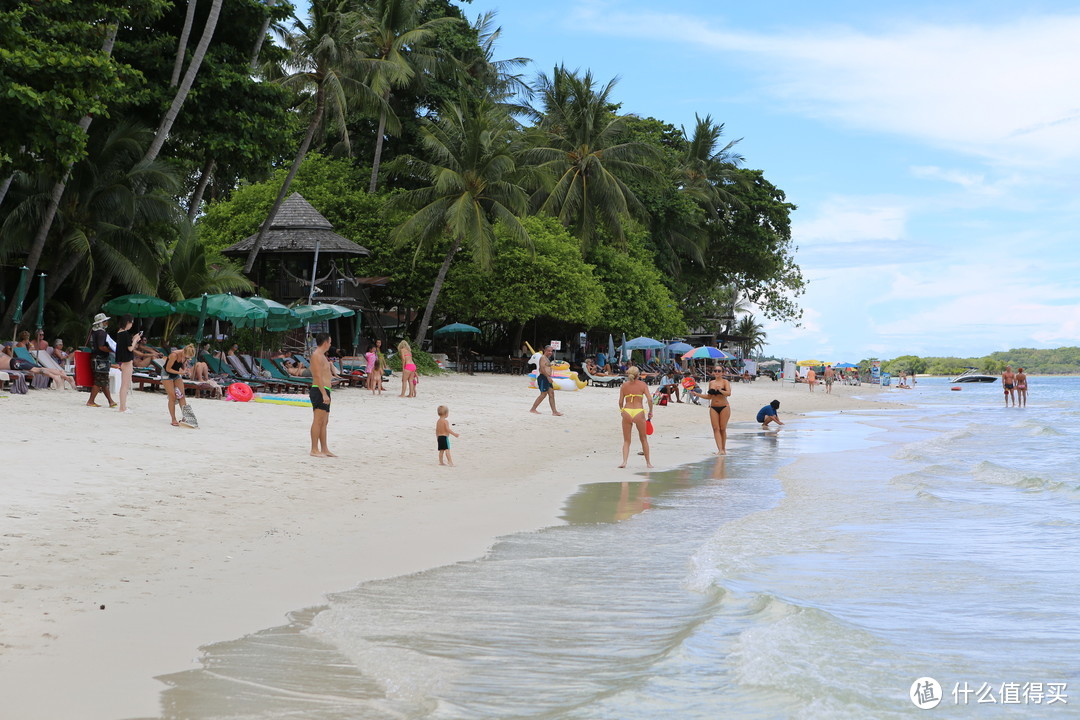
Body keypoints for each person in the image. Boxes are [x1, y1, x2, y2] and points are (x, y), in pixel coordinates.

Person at [689, 366, 731, 454]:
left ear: (723, 373)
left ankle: (723, 448)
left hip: (724, 406)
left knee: (722, 428)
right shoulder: (711, 383)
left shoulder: (725, 382)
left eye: (719, 371)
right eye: (715, 371)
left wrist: (720, 390)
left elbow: (728, 393)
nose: (717, 372)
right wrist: (697, 394)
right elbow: (709, 396)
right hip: (713, 407)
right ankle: (720, 450)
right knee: (716, 428)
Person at [618, 366, 654, 468]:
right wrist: (650, 411)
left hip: (627, 411)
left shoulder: (624, 386)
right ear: (638, 375)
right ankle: (648, 463)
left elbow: (620, 402)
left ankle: (624, 462)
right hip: (639, 411)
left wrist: (621, 411)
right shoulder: (642, 384)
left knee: (626, 440)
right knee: (643, 438)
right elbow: (650, 400)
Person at [309, 333, 335, 457]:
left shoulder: (323, 356)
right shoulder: (316, 355)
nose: (330, 344)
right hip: (319, 390)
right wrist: (324, 393)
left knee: (324, 421)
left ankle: (324, 448)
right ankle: (314, 449)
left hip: (325, 390)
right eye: (330, 342)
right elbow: (317, 376)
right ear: (325, 342)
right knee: (318, 421)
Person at [0, 350, 76, 389]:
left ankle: (54, 377)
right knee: (41, 368)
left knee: (35, 370)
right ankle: (66, 376)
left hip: (14, 363)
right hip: (17, 360)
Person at [163, 344, 197, 427]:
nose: (188, 358)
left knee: (182, 396)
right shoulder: (174, 355)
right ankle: (173, 419)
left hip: (176, 373)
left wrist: (185, 370)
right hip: (167, 374)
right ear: (184, 352)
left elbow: (182, 364)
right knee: (172, 397)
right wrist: (180, 373)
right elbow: (168, 369)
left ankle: (186, 417)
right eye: (188, 357)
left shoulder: (185, 356)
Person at [87, 313, 116, 408]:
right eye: (105, 321)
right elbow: (101, 347)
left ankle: (111, 401)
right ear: (101, 323)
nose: (107, 323)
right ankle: (91, 401)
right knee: (100, 381)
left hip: (95, 357)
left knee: (102, 380)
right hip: (101, 359)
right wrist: (112, 350)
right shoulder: (102, 333)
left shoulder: (93, 332)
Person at [114, 314, 140, 413]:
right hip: (127, 362)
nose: (131, 325)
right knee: (125, 385)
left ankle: (123, 407)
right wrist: (135, 340)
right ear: (128, 322)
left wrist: (133, 339)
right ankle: (122, 407)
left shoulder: (120, 333)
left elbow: (126, 345)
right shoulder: (125, 334)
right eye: (131, 323)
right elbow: (130, 348)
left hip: (123, 361)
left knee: (124, 385)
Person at [529, 345, 563, 416]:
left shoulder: (547, 359)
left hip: (546, 378)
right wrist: (548, 377)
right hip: (543, 377)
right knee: (543, 394)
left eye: (551, 351)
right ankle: (533, 409)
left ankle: (554, 411)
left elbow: (546, 365)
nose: (550, 352)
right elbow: (541, 368)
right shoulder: (543, 358)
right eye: (549, 351)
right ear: (545, 350)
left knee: (551, 394)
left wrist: (552, 365)